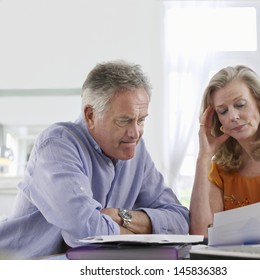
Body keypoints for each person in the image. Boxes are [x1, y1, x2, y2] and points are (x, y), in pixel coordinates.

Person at [0, 60, 189, 259]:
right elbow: (87, 232)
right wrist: (150, 233)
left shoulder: (136, 150)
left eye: (141, 120)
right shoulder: (57, 145)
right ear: (91, 115)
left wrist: (120, 216)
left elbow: (180, 220)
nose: (136, 133)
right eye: (124, 120)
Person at [189, 65, 260, 237]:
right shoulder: (220, 170)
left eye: (240, 104)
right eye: (223, 111)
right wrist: (203, 157)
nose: (233, 116)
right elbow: (201, 234)